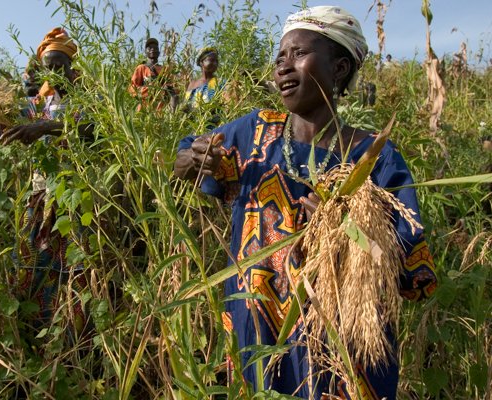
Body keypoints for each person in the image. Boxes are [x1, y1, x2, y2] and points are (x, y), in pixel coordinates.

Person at [174, 6, 437, 399]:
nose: (283, 66)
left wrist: (350, 233)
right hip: (258, 345)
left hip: (342, 357)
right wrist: (196, 157)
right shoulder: (253, 133)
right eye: (280, 57)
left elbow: (414, 277)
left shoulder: (373, 157)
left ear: (340, 68)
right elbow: (181, 160)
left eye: (298, 54)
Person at [0, 28, 93, 335]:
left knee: (76, 265)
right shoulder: (39, 103)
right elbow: (6, 122)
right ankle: (34, 331)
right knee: (34, 261)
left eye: (59, 65)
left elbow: (90, 131)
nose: (54, 72)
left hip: (75, 196)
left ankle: (75, 336)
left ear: (71, 68)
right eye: (48, 67)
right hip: (41, 194)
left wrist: (46, 128)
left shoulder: (86, 100)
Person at [129, 37, 178, 111]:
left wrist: (168, 90)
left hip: (161, 112)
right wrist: (150, 89)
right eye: (150, 48)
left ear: (159, 52)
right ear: (145, 51)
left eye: (155, 48)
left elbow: (175, 89)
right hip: (145, 110)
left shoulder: (165, 70)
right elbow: (132, 89)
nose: (152, 49)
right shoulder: (141, 68)